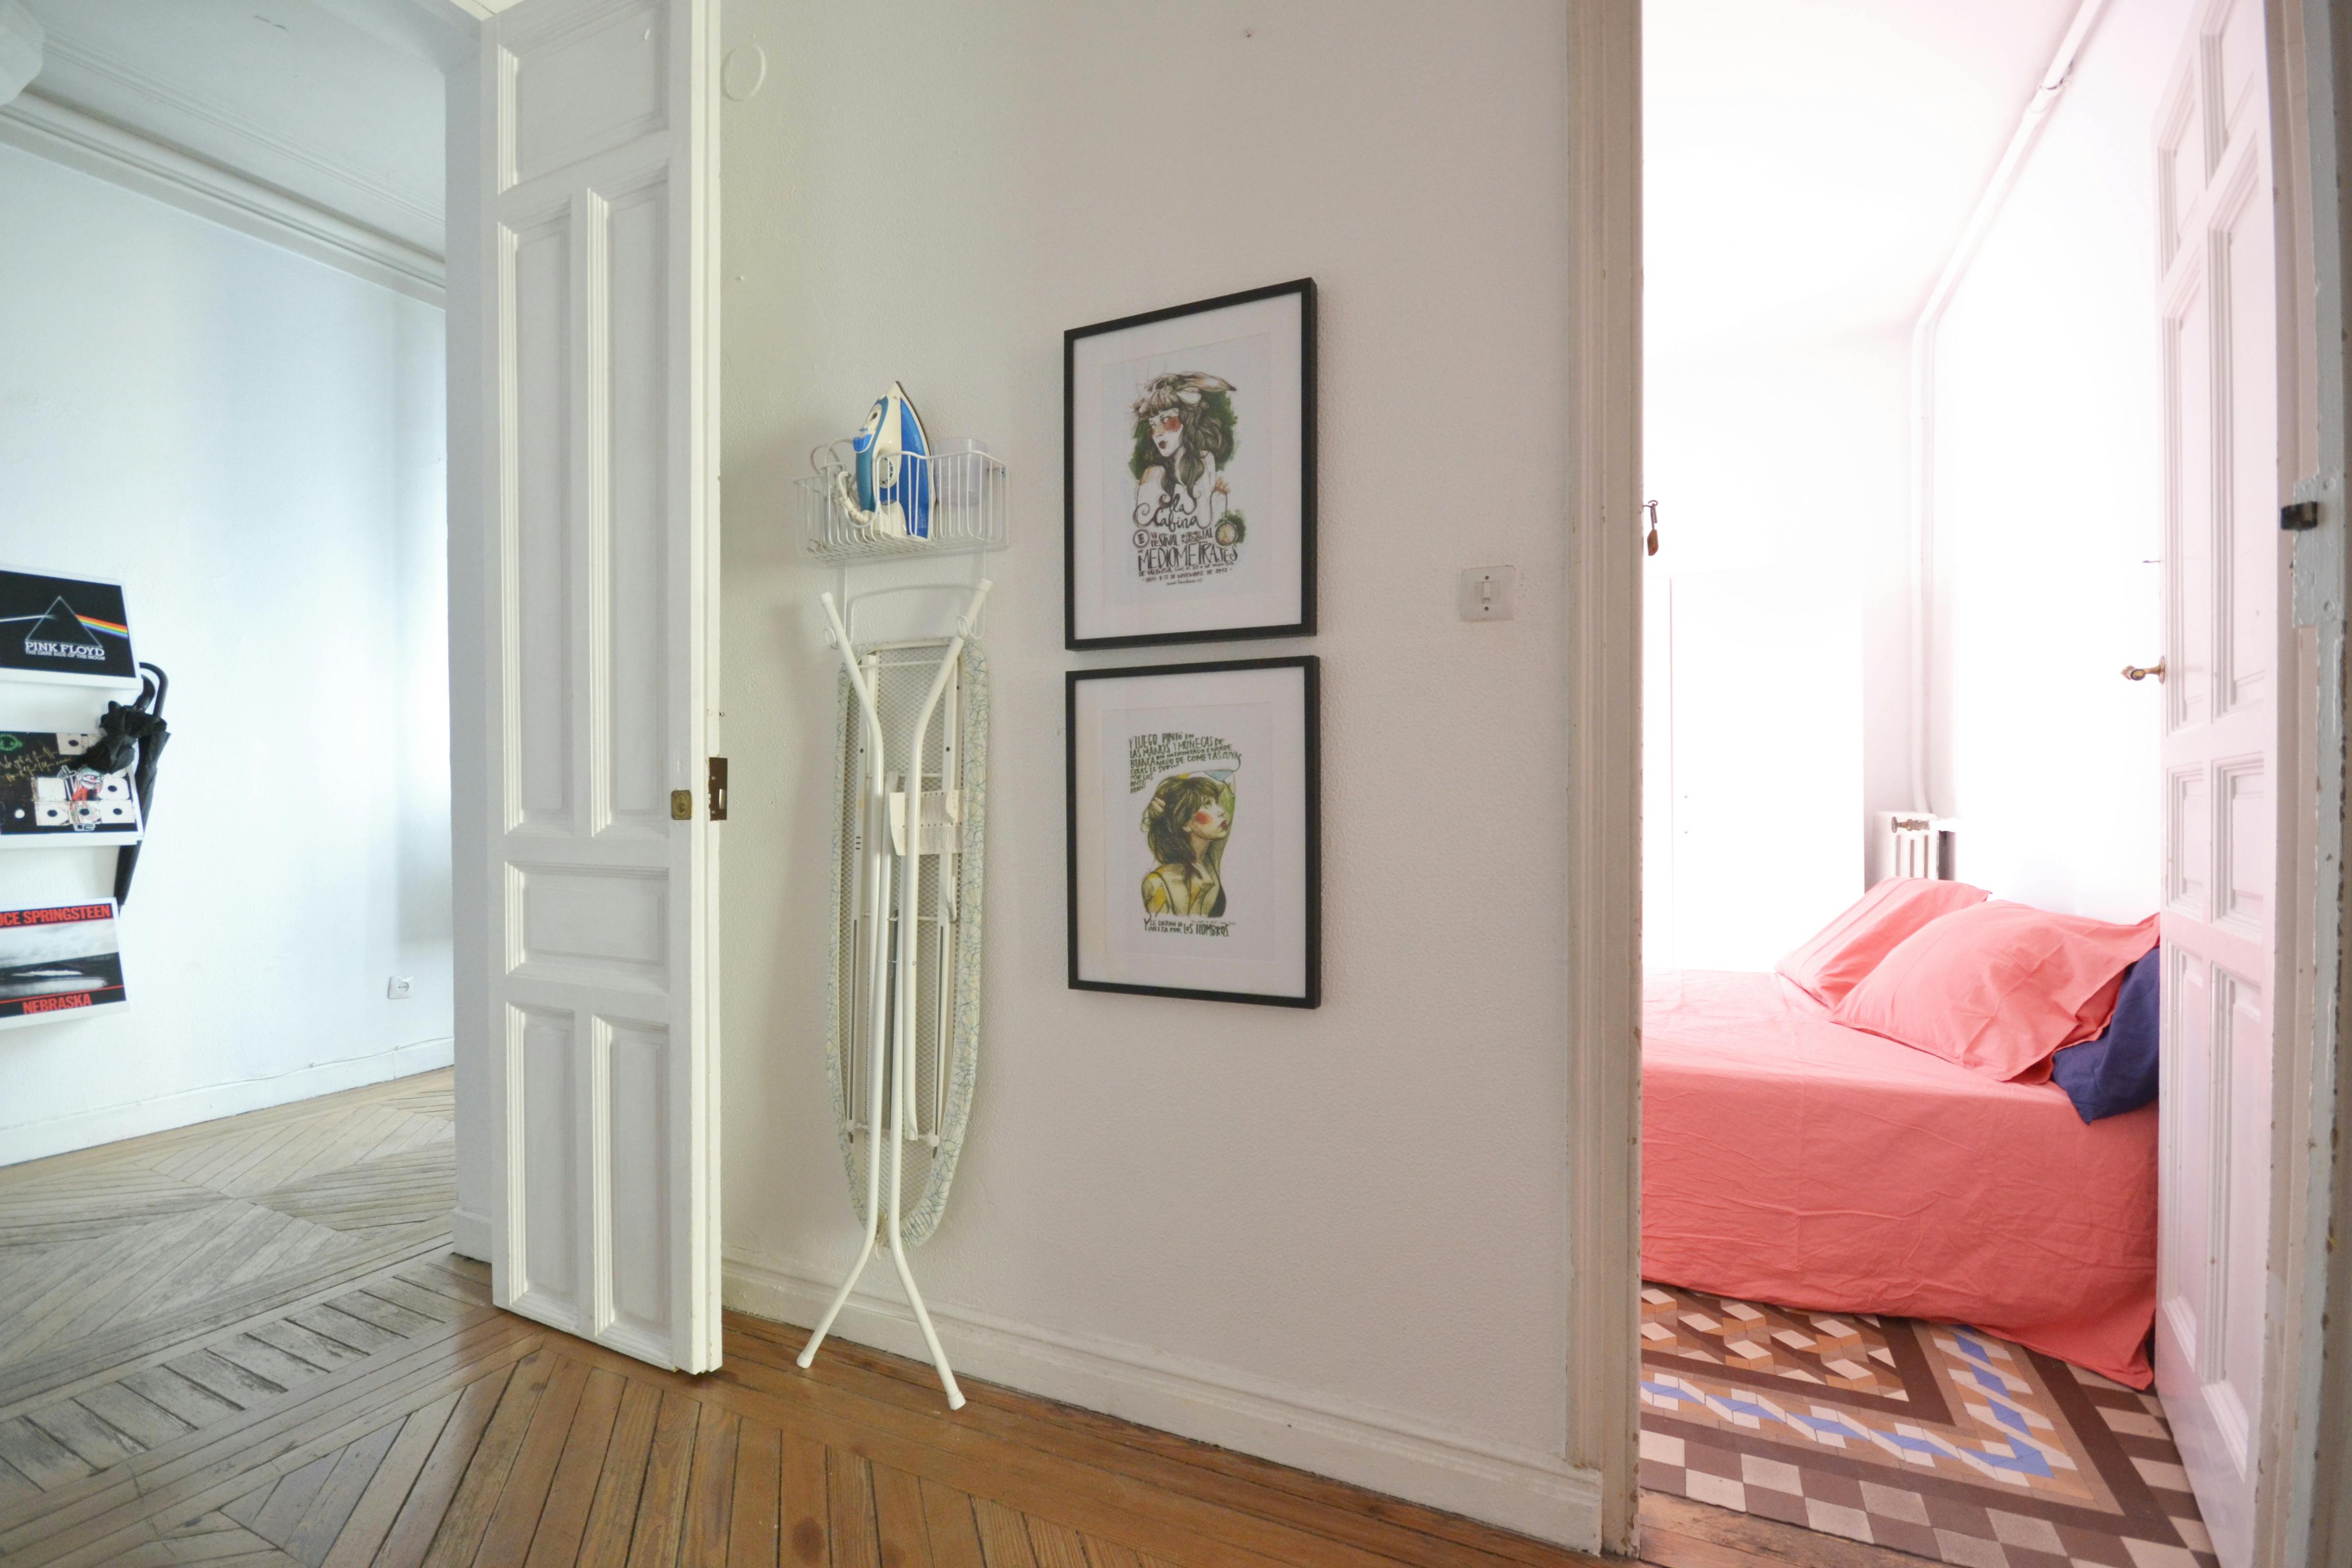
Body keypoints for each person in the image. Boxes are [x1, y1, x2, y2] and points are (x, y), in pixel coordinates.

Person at [1130, 373, 1237, 538]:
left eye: (1166, 420)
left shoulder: (1205, 460)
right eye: (1153, 425)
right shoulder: (1153, 475)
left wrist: (1218, 500)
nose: (1158, 433)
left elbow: (1205, 523)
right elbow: (1144, 535)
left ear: (1186, 419)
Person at [1140, 773, 1233, 917]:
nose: (1221, 811)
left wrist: (1163, 793)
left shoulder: (1212, 857)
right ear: (1185, 823)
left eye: (1216, 803)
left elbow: (1230, 787)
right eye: (1207, 805)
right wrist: (1199, 897)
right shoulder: (1157, 884)